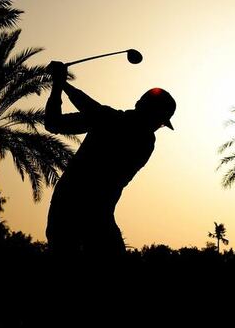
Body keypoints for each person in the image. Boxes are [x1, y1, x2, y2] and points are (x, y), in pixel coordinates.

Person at [44, 61, 175, 260]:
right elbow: (53, 123)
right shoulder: (110, 121)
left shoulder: (143, 139)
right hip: (79, 210)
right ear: (143, 109)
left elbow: (94, 111)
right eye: (160, 120)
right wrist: (58, 86)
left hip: (84, 210)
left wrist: (61, 83)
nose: (158, 125)